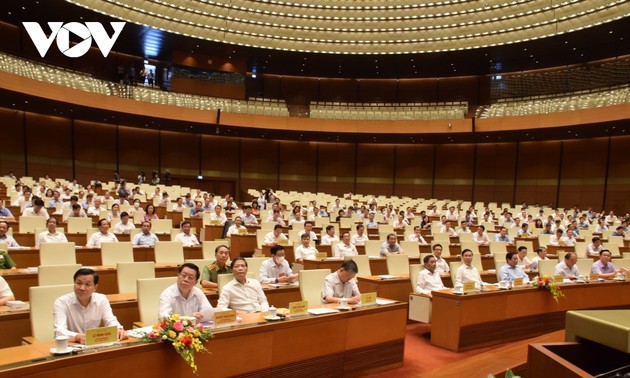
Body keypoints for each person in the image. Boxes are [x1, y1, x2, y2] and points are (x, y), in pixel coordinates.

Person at [53, 268, 127, 343]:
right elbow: (59, 331)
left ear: (95, 287)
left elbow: (110, 320)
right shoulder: (62, 302)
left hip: (94, 345)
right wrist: (77, 337)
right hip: (71, 345)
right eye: (78, 283)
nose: (82, 288)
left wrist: (118, 329)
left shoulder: (101, 299)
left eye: (87, 284)